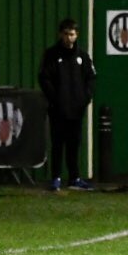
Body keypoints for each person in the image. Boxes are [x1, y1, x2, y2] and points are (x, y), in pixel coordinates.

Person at [38, 17, 96, 191]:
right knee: (58, 144)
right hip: (58, 110)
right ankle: (56, 178)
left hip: (76, 110)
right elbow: (44, 78)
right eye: (65, 34)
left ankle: (74, 178)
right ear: (60, 34)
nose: (68, 38)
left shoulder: (83, 56)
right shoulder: (51, 55)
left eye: (71, 34)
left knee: (74, 144)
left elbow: (91, 78)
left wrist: (85, 98)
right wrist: (55, 99)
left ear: (76, 35)